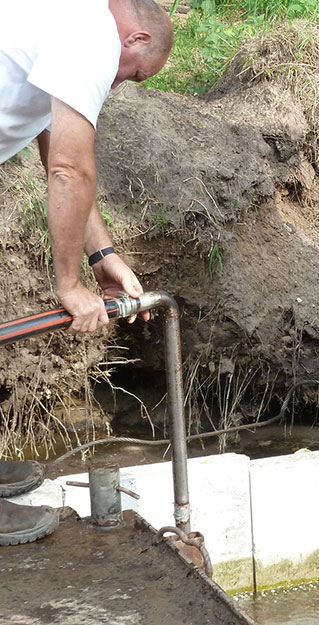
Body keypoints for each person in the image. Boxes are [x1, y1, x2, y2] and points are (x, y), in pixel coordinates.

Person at [0, 0, 174, 545]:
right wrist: (68, 285)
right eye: (135, 75)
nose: (123, 84)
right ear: (137, 39)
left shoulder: (66, 19)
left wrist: (102, 256)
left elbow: (56, 145)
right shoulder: (93, 36)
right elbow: (71, 170)